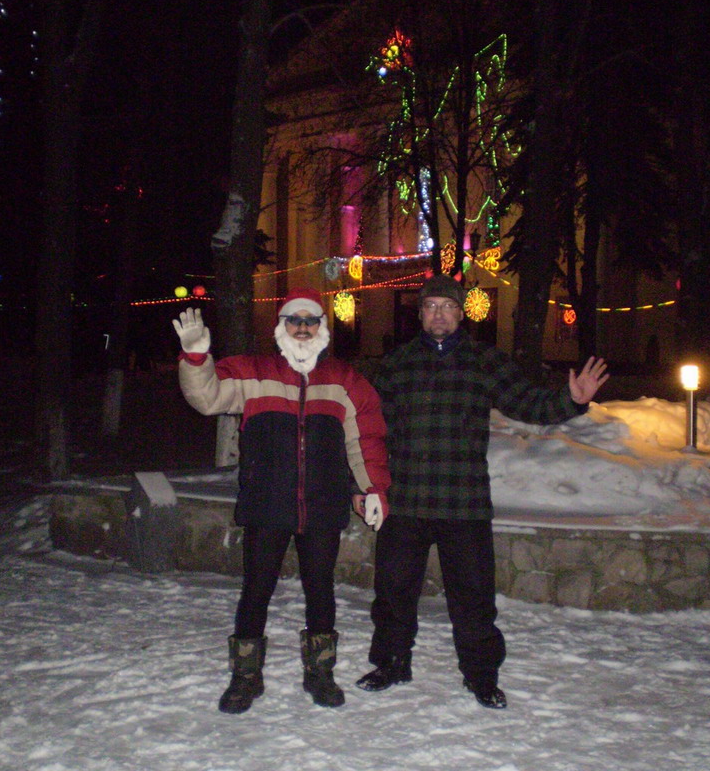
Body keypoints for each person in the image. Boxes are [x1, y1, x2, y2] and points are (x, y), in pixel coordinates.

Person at [353, 275, 608, 710]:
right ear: (420, 314)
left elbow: (529, 404)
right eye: (430, 306)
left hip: (463, 503)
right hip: (405, 501)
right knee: (393, 593)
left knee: (473, 599)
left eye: (447, 307)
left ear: (461, 313)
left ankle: (481, 675)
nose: (439, 314)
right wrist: (363, 486)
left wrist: (572, 400)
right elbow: (372, 433)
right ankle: (392, 662)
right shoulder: (396, 364)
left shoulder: (484, 361)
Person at [173, 288, 390, 714]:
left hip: (323, 504)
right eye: (294, 320)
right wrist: (197, 359)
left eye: (310, 320)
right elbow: (207, 397)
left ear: (322, 326)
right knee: (256, 590)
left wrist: (373, 488)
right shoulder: (253, 372)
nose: (303, 328)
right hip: (266, 503)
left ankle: (320, 672)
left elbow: (365, 437)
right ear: (281, 326)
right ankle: (245, 676)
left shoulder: (343, 379)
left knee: (321, 590)